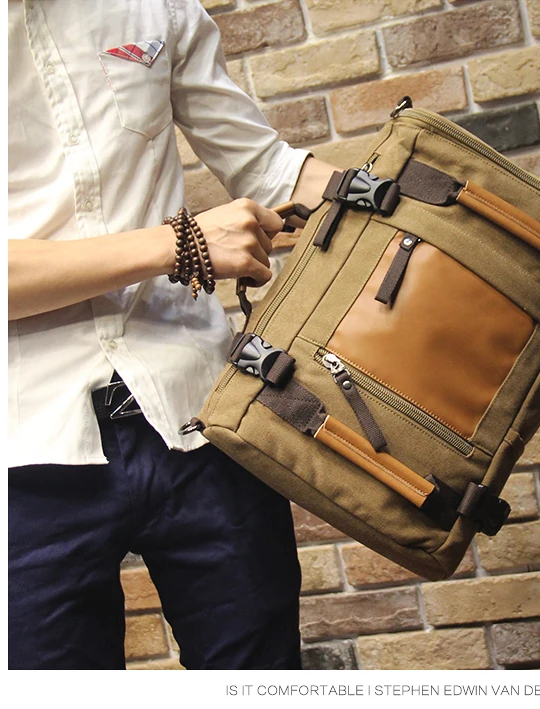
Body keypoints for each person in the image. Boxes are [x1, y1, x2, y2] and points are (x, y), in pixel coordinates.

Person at [8, 0, 336, 669]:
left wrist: (446, 213)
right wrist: (176, 244)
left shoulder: (153, 7)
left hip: (197, 415)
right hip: (24, 451)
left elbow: (271, 168)